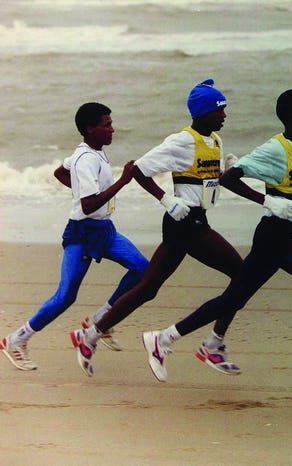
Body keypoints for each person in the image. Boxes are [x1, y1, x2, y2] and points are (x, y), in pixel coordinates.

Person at [140, 88, 292, 396]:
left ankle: (169, 339)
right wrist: (267, 201)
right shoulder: (275, 149)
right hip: (279, 237)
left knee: (234, 298)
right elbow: (229, 177)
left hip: (285, 233)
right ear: (291, 116)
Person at [69, 79, 244, 377]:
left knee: (148, 288)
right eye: (220, 110)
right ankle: (210, 344)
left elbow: (202, 181)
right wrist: (166, 199)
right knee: (243, 275)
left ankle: (92, 334)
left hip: (194, 221)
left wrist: (227, 171)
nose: (224, 115)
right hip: (186, 224)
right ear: (202, 112)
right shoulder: (181, 141)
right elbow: (139, 169)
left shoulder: (214, 141)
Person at [1, 102, 149, 371]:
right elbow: (88, 205)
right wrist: (123, 181)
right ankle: (16, 340)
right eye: (106, 125)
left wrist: (79, 188)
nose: (112, 129)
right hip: (82, 233)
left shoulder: (90, 152)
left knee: (142, 268)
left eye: (111, 123)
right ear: (90, 129)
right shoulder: (86, 160)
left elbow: (59, 172)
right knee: (66, 296)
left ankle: (102, 318)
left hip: (105, 229)